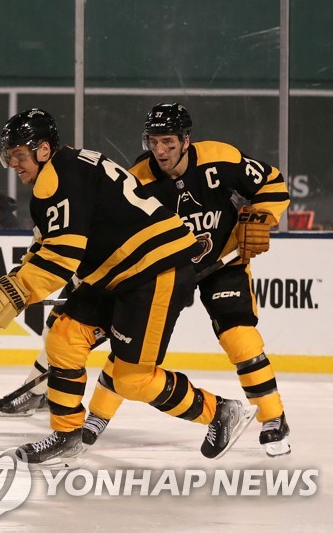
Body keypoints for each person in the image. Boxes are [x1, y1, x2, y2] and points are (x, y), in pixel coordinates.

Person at [0, 108, 256, 465]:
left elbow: (62, 257)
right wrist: (14, 283)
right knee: (64, 337)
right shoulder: (68, 166)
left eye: (18, 155)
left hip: (155, 271)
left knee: (131, 379)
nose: (13, 164)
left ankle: (220, 412)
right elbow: (49, 244)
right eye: (8, 156)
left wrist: (14, 293)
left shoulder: (57, 180)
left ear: (42, 150)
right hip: (122, 272)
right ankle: (67, 433)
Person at [81, 103, 291, 457]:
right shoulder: (137, 181)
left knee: (239, 337)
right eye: (153, 141)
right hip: (167, 272)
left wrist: (261, 216)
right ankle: (96, 418)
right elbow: (115, 237)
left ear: (185, 140)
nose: (159, 150)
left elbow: (272, 182)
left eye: (167, 141)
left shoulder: (219, 158)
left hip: (224, 259)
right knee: (133, 345)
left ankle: (274, 419)